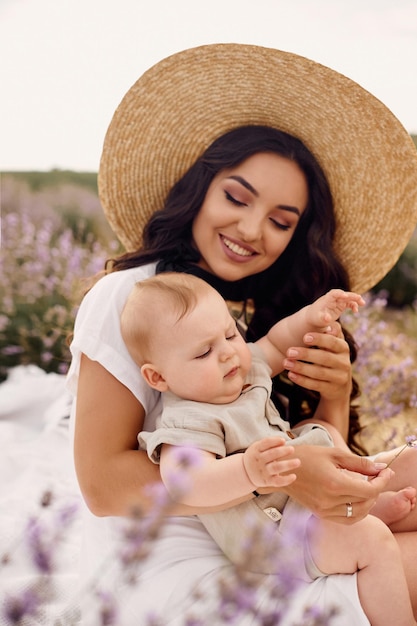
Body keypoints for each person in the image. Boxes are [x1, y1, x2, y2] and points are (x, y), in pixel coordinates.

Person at [68, 44, 417, 625]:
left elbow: (312, 452)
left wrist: (333, 398)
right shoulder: (130, 296)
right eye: (236, 196)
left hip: (278, 520)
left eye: (282, 221)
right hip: (184, 557)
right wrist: (280, 471)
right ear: (198, 187)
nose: (252, 229)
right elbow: (102, 485)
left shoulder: (248, 311)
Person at [120, 271, 416, 626]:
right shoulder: (188, 421)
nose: (228, 353)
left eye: (230, 333)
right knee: (371, 540)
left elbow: (278, 342)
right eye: (204, 352)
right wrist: (248, 471)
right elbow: (186, 482)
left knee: (411, 461)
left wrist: (315, 316)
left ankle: (368, 503)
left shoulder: (243, 368)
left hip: (312, 493)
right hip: (279, 538)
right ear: (158, 378)